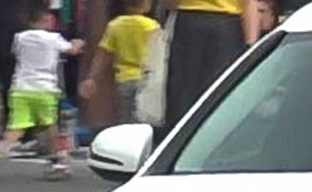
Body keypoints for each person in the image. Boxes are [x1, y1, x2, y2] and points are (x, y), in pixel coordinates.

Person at [0, 4, 81, 174]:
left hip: (20, 87)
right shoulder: (53, 39)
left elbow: (16, 53)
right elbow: (72, 50)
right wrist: (78, 42)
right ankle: (56, 157)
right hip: (45, 88)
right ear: (46, 21)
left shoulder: (20, 38)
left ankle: (3, 149)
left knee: (17, 123)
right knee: (49, 123)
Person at [162, 0, 260, 129]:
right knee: (220, 90)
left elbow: (168, 3)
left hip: (187, 24)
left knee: (182, 93)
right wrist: (251, 47)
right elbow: (249, 3)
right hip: (226, 27)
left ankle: (180, 137)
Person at [81, 0, 156, 125]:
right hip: (147, 80)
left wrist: (91, 77)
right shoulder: (152, 26)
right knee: (145, 122)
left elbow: (103, 55)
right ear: (146, 6)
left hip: (125, 80)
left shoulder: (115, 25)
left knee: (126, 120)